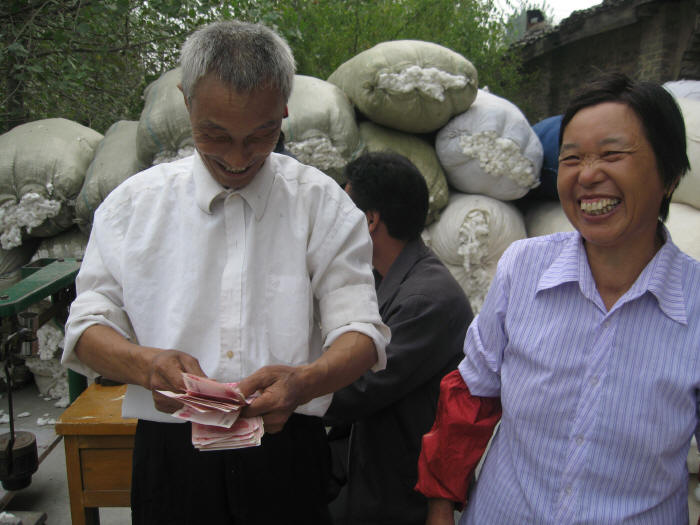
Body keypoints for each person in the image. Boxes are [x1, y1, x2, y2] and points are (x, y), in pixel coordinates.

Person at [61, 20, 390, 525]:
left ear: (283, 109)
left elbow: (362, 333)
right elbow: (86, 327)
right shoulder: (132, 207)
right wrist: (147, 366)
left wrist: (304, 382)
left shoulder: (322, 205)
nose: (237, 159)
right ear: (186, 102)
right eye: (214, 135)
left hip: (287, 451)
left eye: (261, 135)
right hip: (172, 459)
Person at [416, 72, 700, 524]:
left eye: (612, 155)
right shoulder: (523, 268)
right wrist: (440, 507)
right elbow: (471, 397)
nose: (588, 175)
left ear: (670, 176)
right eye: (571, 159)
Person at [324, 152, 472, 524]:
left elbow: (360, 387)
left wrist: (289, 389)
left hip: (399, 493)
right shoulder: (380, 277)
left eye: (343, 210)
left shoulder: (427, 299)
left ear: (370, 220)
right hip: (365, 473)